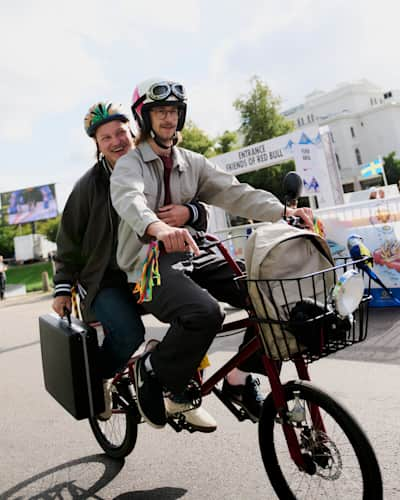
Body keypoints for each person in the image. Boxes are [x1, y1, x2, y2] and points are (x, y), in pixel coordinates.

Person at [110, 78, 314, 428]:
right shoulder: (131, 165)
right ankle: (154, 368)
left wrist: (283, 212)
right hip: (150, 264)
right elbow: (129, 200)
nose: (168, 118)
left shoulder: (193, 162)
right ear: (144, 118)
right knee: (206, 312)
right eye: (159, 111)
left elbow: (235, 193)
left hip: (196, 250)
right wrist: (159, 229)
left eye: (174, 111)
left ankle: (238, 379)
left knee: (268, 297)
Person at [53, 101, 216, 431]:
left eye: (120, 133)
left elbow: (192, 204)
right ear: (97, 145)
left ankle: (177, 391)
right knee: (129, 333)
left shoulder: (153, 164)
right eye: (105, 137)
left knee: (194, 313)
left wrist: (192, 212)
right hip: (103, 279)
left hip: (147, 268)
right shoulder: (87, 186)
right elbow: (68, 240)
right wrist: (62, 287)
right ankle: (102, 376)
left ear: (134, 133)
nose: (115, 141)